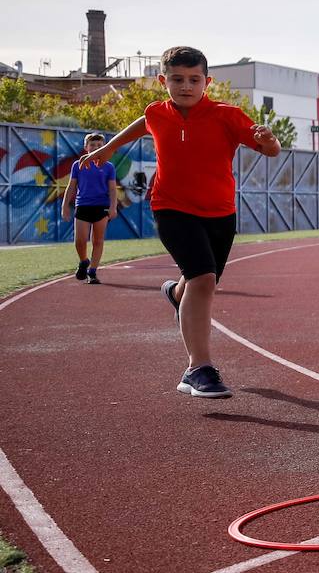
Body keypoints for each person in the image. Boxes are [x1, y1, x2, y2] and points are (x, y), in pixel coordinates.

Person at [80, 46, 281, 399]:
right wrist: (109, 147)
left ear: (207, 81)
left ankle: (175, 293)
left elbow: (270, 150)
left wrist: (270, 141)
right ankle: (198, 369)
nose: (185, 86)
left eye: (193, 80)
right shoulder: (157, 112)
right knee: (203, 279)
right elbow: (144, 122)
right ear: (163, 80)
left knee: (200, 283)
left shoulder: (228, 115)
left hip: (220, 213)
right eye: (177, 79)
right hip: (171, 209)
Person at [61, 132, 119, 284]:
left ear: (104, 147)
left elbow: (113, 189)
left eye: (100, 145)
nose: (96, 147)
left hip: (101, 207)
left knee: (97, 241)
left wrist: (113, 207)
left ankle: (92, 272)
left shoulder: (108, 167)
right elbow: (71, 186)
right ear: (86, 147)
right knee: (80, 241)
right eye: (92, 145)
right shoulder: (77, 165)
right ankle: (84, 261)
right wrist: (65, 206)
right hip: (82, 206)